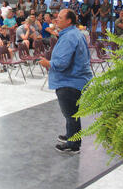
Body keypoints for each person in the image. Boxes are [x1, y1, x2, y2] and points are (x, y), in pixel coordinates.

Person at [39, 9, 92, 154]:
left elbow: (62, 63)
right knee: (71, 112)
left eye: (60, 18)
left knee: (71, 114)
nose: (56, 20)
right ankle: (71, 135)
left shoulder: (69, 37)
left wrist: (48, 63)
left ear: (69, 21)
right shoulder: (75, 34)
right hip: (76, 80)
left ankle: (73, 145)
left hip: (70, 82)